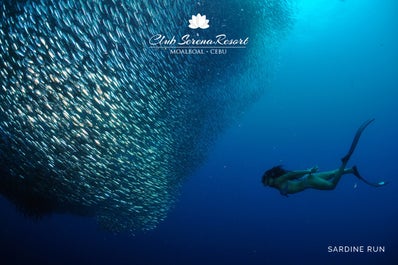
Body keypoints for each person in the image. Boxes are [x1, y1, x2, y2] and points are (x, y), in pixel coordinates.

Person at [262, 119, 387, 196]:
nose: (267, 185)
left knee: (332, 186)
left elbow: (292, 174)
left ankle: (344, 162)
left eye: (267, 181)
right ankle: (350, 170)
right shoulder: (276, 185)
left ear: (271, 178)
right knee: (333, 173)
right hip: (307, 179)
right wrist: (308, 172)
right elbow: (294, 176)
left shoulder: (278, 181)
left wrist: (308, 171)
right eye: (265, 184)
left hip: (308, 181)